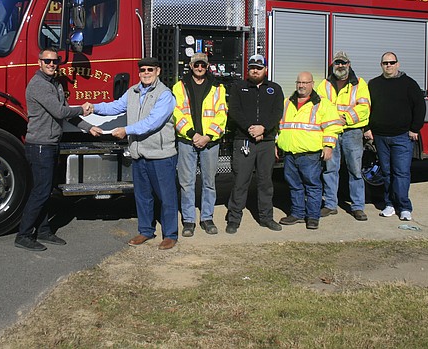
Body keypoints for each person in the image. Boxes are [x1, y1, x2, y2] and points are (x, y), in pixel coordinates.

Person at [85, 57, 179, 250]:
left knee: (166, 196)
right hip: (139, 153)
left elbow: (153, 122)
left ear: (158, 71)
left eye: (150, 70)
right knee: (142, 196)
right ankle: (145, 231)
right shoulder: (133, 92)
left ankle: (170, 235)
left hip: (161, 155)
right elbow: (115, 106)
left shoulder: (165, 95)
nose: (146, 73)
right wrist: (94, 107)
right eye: (143, 70)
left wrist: (126, 131)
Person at [15, 48, 96, 252]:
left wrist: (88, 127)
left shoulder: (56, 84)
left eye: (55, 61)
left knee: (47, 190)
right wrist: (83, 108)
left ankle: (43, 231)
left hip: (50, 144)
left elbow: (66, 115)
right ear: (39, 62)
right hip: (40, 146)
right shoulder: (39, 85)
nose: (52, 64)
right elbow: (60, 111)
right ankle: (23, 234)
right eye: (47, 61)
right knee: (40, 191)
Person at [225, 54, 285, 234]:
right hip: (244, 140)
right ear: (248, 69)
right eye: (252, 67)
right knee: (240, 182)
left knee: (265, 182)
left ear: (265, 70)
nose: (255, 70)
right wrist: (250, 128)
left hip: (266, 142)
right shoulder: (238, 87)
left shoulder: (274, 89)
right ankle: (234, 219)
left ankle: (266, 218)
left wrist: (263, 129)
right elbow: (233, 110)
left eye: (259, 68)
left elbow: (277, 112)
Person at [277, 72, 342, 230]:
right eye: (299, 82)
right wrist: (276, 144)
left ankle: (313, 216)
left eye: (305, 83)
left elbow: (332, 127)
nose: (301, 85)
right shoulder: (287, 102)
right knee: (294, 185)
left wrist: (328, 146)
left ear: (312, 84)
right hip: (290, 153)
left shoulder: (322, 104)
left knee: (312, 185)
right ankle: (298, 214)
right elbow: (279, 127)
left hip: (310, 154)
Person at [364, 52, 425, 221]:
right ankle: (389, 204)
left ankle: (404, 207)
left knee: (401, 173)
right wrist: (367, 128)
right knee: (387, 173)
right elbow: (365, 108)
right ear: (381, 65)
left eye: (392, 62)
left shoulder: (409, 84)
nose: (388, 65)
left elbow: (419, 107)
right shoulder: (374, 84)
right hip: (381, 137)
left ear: (398, 64)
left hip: (402, 137)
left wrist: (415, 129)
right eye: (385, 63)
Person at [173, 52, 227, 237]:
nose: (199, 68)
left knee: (209, 182)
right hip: (187, 140)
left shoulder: (218, 88)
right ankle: (189, 220)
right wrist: (191, 133)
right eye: (196, 65)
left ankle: (206, 218)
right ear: (191, 65)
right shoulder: (179, 87)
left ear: (207, 66)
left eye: (203, 65)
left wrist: (208, 136)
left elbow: (221, 115)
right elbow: (176, 113)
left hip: (209, 142)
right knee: (186, 183)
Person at [316, 51, 371, 221]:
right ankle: (331, 205)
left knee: (355, 170)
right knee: (330, 169)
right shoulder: (324, 85)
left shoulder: (360, 84)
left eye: (343, 63)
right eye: (337, 63)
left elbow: (364, 107)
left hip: (352, 132)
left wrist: (345, 118)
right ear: (333, 65)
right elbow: (319, 106)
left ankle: (357, 207)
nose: (340, 66)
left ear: (349, 64)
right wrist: (334, 120)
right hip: (331, 132)